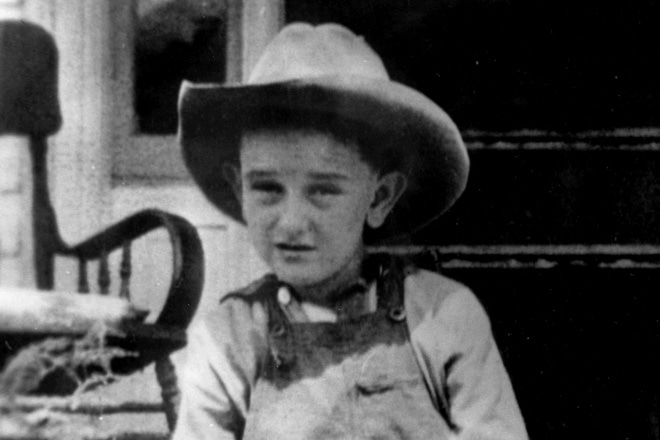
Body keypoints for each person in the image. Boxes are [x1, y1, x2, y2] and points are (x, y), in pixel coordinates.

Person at [173, 22, 528, 440]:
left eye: (323, 191)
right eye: (267, 188)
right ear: (239, 188)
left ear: (379, 198)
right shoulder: (229, 339)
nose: (291, 222)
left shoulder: (441, 318)